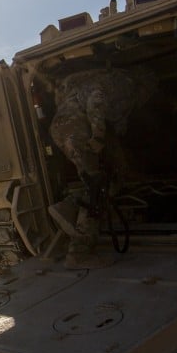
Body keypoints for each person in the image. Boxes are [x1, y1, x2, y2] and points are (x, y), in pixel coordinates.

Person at [47, 67, 156, 269]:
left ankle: (69, 206)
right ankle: (78, 253)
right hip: (76, 128)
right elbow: (96, 102)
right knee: (95, 187)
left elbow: (116, 120)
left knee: (93, 180)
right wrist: (97, 136)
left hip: (64, 127)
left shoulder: (121, 92)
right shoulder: (121, 84)